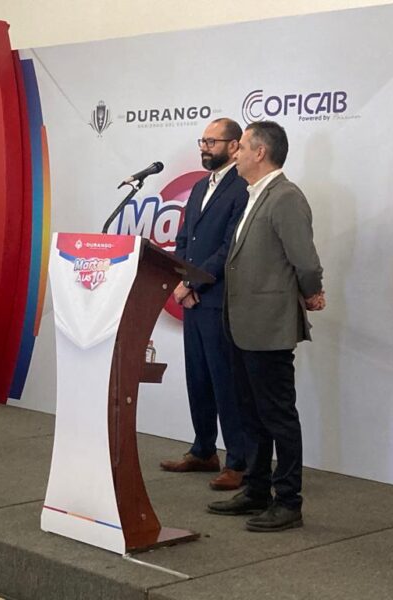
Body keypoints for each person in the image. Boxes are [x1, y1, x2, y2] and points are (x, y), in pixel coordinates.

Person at [207, 121, 325, 532]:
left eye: (242, 147)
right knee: (250, 414)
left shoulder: (286, 197)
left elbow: (305, 261)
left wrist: (312, 292)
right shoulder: (254, 195)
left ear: (260, 153)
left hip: (269, 327)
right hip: (242, 325)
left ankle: (288, 501)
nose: (235, 153)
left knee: (277, 416)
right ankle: (256, 490)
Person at [160, 118, 249, 491]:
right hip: (194, 300)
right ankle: (203, 450)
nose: (204, 147)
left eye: (212, 142)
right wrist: (184, 281)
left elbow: (231, 246)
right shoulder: (199, 187)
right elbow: (184, 239)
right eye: (203, 141)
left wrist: (194, 282)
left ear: (234, 145)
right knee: (198, 377)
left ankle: (239, 461)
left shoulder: (243, 187)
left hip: (220, 300)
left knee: (225, 381)